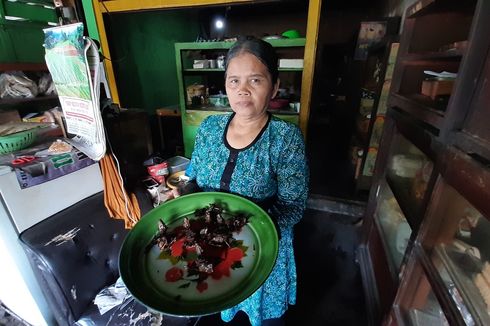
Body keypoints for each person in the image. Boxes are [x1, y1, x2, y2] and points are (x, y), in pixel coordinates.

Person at [185, 37, 309, 326]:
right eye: (234, 81)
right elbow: (194, 178)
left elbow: (293, 205)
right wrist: (183, 197)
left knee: (262, 317)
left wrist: (251, 232)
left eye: (255, 80)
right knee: (221, 313)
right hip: (211, 245)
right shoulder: (209, 127)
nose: (242, 90)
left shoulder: (285, 139)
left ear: (274, 86)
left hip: (261, 250)